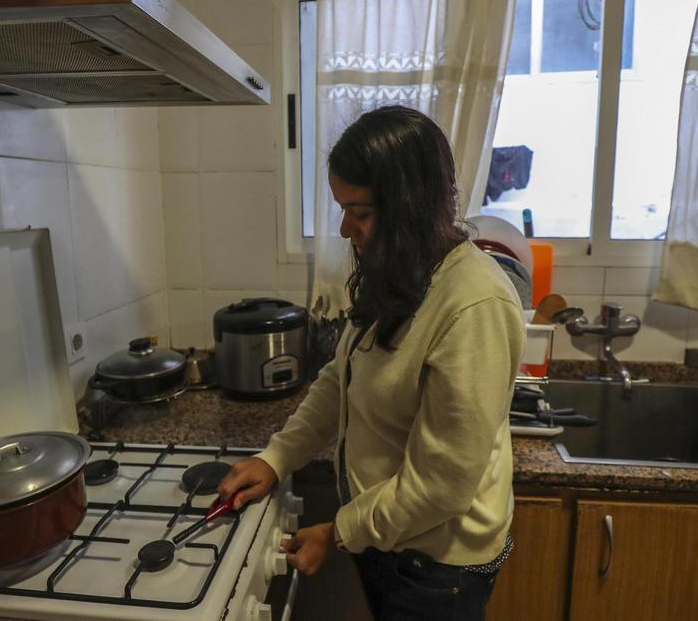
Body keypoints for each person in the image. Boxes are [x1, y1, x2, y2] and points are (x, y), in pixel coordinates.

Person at [217, 105, 525, 621]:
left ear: (410, 206)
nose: (344, 229)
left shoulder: (474, 305)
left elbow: (441, 485)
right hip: (391, 538)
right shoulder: (402, 267)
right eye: (342, 208)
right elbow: (343, 377)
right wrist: (276, 457)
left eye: (359, 212)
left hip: (436, 567)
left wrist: (340, 533)